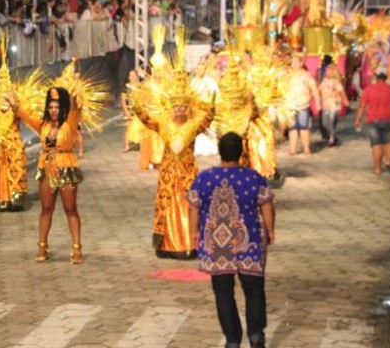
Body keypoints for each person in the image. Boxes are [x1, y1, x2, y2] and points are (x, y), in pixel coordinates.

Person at [188, 132, 276, 348]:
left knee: (223, 292)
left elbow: (193, 206)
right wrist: (270, 230)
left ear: (220, 151)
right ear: (241, 152)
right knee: (254, 289)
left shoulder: (205, 178)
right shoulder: (253, 177)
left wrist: (194, 231)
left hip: (217, 247)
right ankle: (256, 337)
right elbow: (266, 206)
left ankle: (232, 340)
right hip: (249, 243)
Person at [132, 67, 213, 260]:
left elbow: (207, 121)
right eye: (176, 106)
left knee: (189, 205)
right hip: (168, 172)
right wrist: (136, 106)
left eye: (183, 107)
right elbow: (147, 121)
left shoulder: (193, 126)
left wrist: (210, 107)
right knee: (167, 206)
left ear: (188, 108)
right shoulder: (164, 124)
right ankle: (166, 244)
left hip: (187, 172)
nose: (179, 110)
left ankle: (190, 245)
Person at [7, 86, 85, 264]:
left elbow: (74, 110)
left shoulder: (70, 122)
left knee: (70, 209)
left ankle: (77, 248)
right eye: (51, 107)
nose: (53, 110)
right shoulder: (44, 125)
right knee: (46, 208)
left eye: (57, 107)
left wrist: (73, 100)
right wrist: (14, 105)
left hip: (66, 167)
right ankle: (42, 247)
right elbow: (26, 117)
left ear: (62, 108)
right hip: (47, 168)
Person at [0, 41, 28, 212]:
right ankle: (2, 198)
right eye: (1, 97)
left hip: (14, 144)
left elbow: (23, 115)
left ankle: (16, 196)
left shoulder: (16, 107)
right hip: (0, 146)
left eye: (6, 97)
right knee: (1, 170)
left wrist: (14, 104)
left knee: (15, 169)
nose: (3, 101)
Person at [354, 71, 390, 175]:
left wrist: (358, 119)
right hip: (389, 118)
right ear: (386, 77)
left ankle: (377, 168)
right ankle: (389, 162)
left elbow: (362, 106)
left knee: (377, 144)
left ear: (376, 77)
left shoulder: (369, 89)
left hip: (373, 121)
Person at [285, 55, 320, 156]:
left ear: (301, 63)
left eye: (296, 62)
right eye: (293, 62)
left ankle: (306, 149)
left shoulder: (306, 75)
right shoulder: (287, 75)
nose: (294, 64)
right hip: (290, 105)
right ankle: (292, 149)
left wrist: (317, 102)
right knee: (292, 128)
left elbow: (314, 89)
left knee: (304, 127)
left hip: (303, 105)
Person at [319, 67, 349, 147]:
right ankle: (334, 137)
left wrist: (345, 100)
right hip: (325, 103)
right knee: (324, 123)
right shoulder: (324, 80)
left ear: (334, 72)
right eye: (327, 71)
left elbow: (341, 91)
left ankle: (331, 139)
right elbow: (319, 90)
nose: (327, 72)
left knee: (331, 121)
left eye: (330, 71)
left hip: (334, 102)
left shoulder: (336, 81)